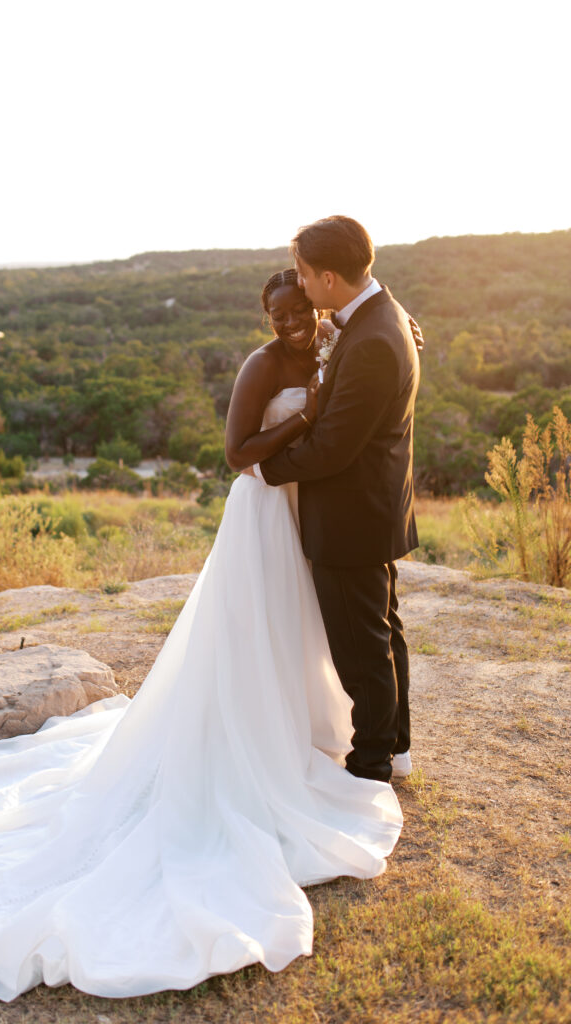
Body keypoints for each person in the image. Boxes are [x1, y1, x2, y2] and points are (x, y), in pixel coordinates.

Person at [0, 270, 403, 1003]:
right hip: (262, 510)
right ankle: (250, 739)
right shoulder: (261, 365)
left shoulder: (336, 341)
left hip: (305, 510)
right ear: (264, 314)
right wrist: (301, 422)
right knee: (250, 629)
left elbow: (368, 366)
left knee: (301, 627)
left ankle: (303, 731)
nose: (291, 322)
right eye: (278, 313)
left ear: (317, 304)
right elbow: (236, 451)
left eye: (299, 309)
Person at [256, 216, 421, 784]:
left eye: (303, 275)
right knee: (380, 632)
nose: (298, 286)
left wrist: (265, 467)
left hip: (351, 516)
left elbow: (331, 450)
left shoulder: (374, 338)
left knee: (361, 649)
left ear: (329, 276)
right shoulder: (377, 315)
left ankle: (371, 765)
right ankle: (394, 747)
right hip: (373, 509)